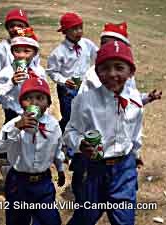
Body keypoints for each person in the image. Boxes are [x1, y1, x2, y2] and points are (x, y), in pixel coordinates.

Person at [64, 40, 143, 225]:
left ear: (131, 72)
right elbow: (69, 132)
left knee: (124, 219)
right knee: (87, 216)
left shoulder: (135, 101)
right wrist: (80, 144)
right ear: (97, 73)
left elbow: (136, 131)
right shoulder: (84, 101)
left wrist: (136, 153)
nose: (112, 74)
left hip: (124, 169)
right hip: (93, 168)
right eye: (105, 68)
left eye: (119, 67)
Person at [0, 77, 65, 225]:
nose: (34, 102)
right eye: (28, 98)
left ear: (48, 103)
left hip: (43, 181)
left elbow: (56, 148)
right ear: (21, 103)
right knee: (17, 219)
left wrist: (60, 168)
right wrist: (16, 128)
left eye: (40, 98)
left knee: (50, 220)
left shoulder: (53, 125)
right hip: (18, 182)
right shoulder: (13, 124)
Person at [0, 29, 46, 170]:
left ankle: (24, 165)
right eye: (17, 51)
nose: (21, 55)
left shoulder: (39, 71)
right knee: (10, 140)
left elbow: (44, 91)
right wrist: (11, 83)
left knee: (28, 141)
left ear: (35, 53)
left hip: (34, 112)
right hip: (14, 112)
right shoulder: (7, 72)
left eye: (26, 51)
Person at [79, 22, 162, 105]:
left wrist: (146, 98)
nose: (107, 49)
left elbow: (131, 97)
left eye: (113, 46)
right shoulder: (92, 75)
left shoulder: (126, 74)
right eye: (103, 44)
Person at [46, 12, 98, 133]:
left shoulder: (87, 44)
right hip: (67, 90)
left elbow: (98, 56)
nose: (79, 31)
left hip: (85, 86)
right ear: (65, 31)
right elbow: (52, 71)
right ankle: (62, 134)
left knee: (85, 113)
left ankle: (80, 136)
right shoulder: (59, 52)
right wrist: (64, 81)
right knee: (69, 115)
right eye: (74, 29)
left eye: (80, 28)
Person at [0, 8, 40, 81]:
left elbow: (36, 65)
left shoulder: (31, 46)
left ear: (26, 28)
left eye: (20, 26)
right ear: (7, 28)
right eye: (12, 26)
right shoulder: (2, 47)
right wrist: (9, 82)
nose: (16, 28)